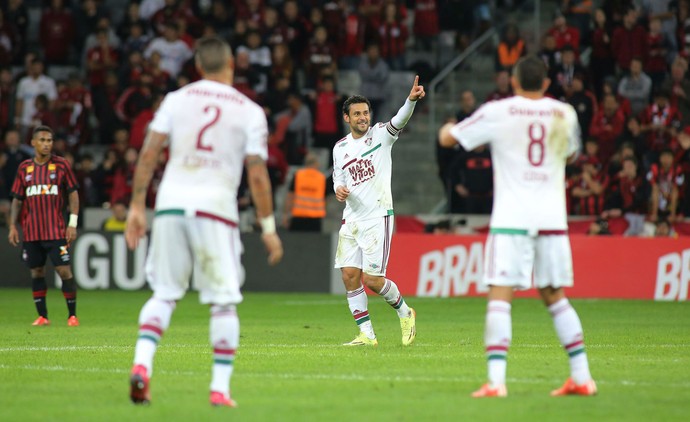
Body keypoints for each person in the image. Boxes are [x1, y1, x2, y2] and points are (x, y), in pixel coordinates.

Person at [124, 36, 283, 407]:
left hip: (170, 205)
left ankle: (142, 366)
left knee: (164, 293)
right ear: (231, 64)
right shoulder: (249, 110)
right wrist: (269, 229)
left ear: (197, 66)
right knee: (223, 302)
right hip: (216, 209)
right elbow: (258, 175)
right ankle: (219, 389)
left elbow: (149, 153)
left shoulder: (176, 100)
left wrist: (135, 205)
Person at [439, 55, 597, 397]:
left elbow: (450, 140)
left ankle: (496, 382)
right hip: (552, 218)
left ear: (513, 81)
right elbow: (571, 155)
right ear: (545, 83)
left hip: (511, 218)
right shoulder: (564, 113)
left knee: (500, 295)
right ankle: (582, 376)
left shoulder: (500, 111)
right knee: (555, 296)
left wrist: (446, 127)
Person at [332, 75, 424, 347]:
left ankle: (405, 312)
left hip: (377, 216)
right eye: (357, 114)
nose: (363, 117)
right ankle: (367, 335)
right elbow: (339, 176)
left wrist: (410, 101)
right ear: (347, 118)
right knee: (349, 275)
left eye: (366, 112)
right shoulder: (340, 148)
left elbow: (400, 119)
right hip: (351, 219)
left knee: (372, 280)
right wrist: (338, 188)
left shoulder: (381, 135)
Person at [7, 125, 80, 327]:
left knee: (64, 271)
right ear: (33, 143)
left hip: (56, 231)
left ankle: (72, 315)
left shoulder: (62, 165)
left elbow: (73, 194)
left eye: (49, 140)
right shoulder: (24, 168)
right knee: (37, 272)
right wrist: (13, 226)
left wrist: (72, 223)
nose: (47, 144)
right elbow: (17, 200)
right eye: (42, 140)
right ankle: (43, 316)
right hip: (31, 233)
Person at [282, 153, 326, 232]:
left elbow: (290, 196)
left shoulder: (298, 175)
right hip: (315, 219)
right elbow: (326, 198)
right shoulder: (322, 178)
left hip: (298, 217)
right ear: (316, 164)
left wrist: (286, 214)